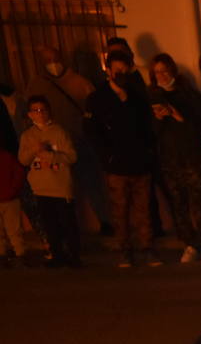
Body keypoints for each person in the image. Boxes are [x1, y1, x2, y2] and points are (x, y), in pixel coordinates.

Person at [85, 47, 158, 267]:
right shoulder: (98, 98)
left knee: (143, 210)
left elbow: (148, 127)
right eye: (117, 70)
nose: (121, 74)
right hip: (116, 167)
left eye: (124, 70)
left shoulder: (137, 96)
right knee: (120, 211)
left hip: (140, 163)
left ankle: (147, 249)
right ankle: (125, 251)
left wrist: (148, 152)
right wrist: (106, 158)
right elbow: (92, 132)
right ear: (109, 71)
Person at [24, 46, 105, 231]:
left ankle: (103, 220)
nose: (52, 65)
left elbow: (94, 110)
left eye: (54, 59)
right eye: (48, 61)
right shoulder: (37, 84)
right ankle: (69, 228)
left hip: (79, 140)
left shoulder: (79, 82)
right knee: (61, 189)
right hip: (53, 145)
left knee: (91, 183)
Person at [149, 53, 201, 265]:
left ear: (173, 71)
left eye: (164, 70)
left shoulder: (188, 95)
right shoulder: (152, 96)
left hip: (193, 158)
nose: (161, 75)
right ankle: (189, 244)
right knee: (178, 204)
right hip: (170, 160)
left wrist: (179, 118)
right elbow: (149, 132)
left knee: (199, 202)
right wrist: (158, 119)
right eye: (157, 72)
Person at [17, 96, 80, 267]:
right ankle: (57, 255)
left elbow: (72, 156)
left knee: (68, 223)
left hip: (61, 186)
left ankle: (74, 256)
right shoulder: (27, 136)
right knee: (50, 224)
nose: (40, 114)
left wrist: (51, 156)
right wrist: (34, 150)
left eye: (43, 110)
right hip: (40, 188)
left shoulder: (59, 131)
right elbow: (23, 160)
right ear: (30, 114)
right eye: (36, 111)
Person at [0, 143, 27, 266]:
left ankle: (16, 254)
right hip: (10, 198)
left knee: (14, 230)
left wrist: (13, 191)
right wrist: (13, 191)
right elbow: (19, 174)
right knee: (14, 230)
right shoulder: (8, 156)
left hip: (10, 199)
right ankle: (18, 254)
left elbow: (18, 174)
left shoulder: (7, 157)